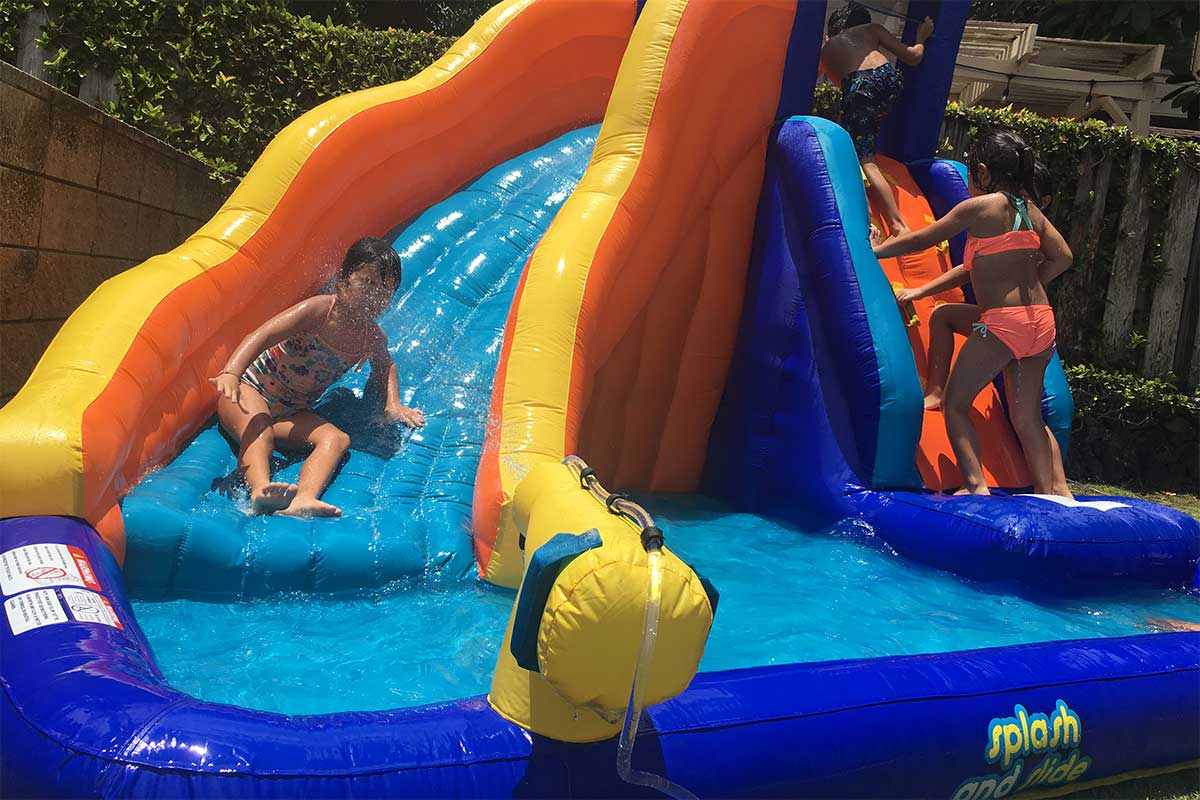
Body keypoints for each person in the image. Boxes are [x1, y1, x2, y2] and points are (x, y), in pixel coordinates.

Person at [875, 130, 1072, 498]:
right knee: (1027, 416)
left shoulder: (981, 208)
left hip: (1002, 324)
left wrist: (875, 251)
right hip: (1041, 322)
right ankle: (1052, 496)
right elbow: (1063, 256)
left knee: (956, 404)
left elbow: (922, 238)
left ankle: (975, 486)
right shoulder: (1029, 212)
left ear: (981, 173)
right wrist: (1026, 283)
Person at [209, 237, 426, 517]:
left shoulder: (371, 337)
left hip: (291, 414)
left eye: (385, 290)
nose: (375, 295)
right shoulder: (319, 310)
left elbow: (387, 367)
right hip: (247, 393)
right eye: (368, 283)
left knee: (337, 439)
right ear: (344, 280)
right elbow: (262, 335)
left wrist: (393, 405)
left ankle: (304, 498)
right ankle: (260, 490)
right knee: (260, 425)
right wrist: (231, 373)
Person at [821, 2, 934, 240]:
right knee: (863, 126)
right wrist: (922, 37)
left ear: (832, 31)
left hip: (860, 87)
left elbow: (836, 82)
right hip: (890, 80)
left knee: (867, 159)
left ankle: (897, 225)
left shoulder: (828, 46)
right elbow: (913, 57)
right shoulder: (872, 29)